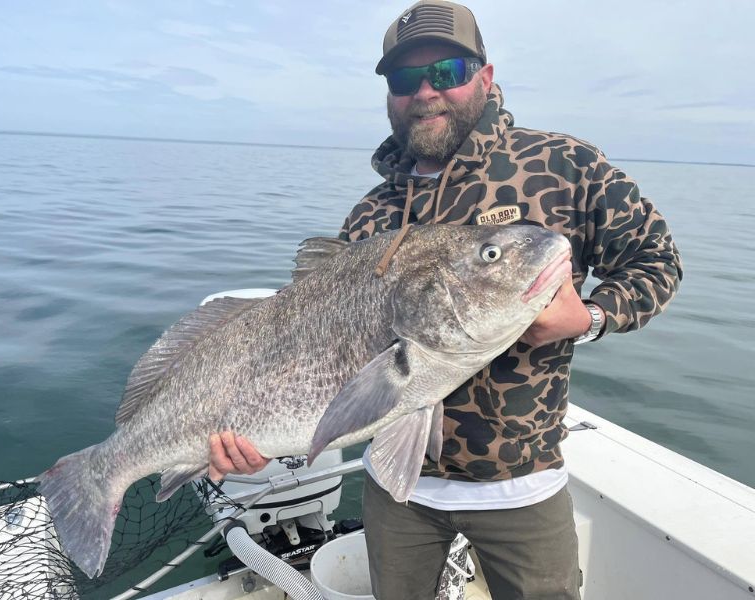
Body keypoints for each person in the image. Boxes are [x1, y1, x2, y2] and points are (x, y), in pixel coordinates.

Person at [209, 1, 682, 598]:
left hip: (521, 486)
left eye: (449, 72)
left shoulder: (566, 167)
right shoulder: (372, 213)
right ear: (389, 94)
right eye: (407, 79)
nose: (427, 92)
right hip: (394, 489)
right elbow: (322, 352)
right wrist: (255, 437)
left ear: (484, 77)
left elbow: (658, 262)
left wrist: (587, 318)